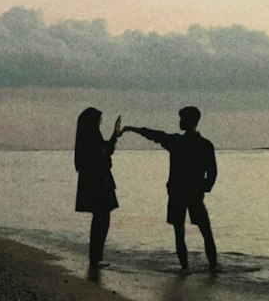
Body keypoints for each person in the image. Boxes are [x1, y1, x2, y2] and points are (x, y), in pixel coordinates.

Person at [122, 107, 217, 272]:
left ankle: (186, 268)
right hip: (191, 193)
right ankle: (212, 267)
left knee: (181, 232)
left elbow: (154, 135)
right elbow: (212, 172)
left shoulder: (178, 142)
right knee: (204, 231)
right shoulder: (204, 144)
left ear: (188, 121)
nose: (179, 122)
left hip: (180, 193)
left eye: (181, 119)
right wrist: (203, 188)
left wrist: (132, 129)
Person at [74, 109, 121, 270]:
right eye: (99, 119)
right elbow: (105, 152)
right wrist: (114, 136)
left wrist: (114, 137)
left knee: (100, 220)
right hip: (99, 183)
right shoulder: (92, 136)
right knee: (102, 220)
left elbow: (105, 150)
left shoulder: (86, 137)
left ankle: (95, 257)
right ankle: (96, 257)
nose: (100, 122)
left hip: (93, 182)